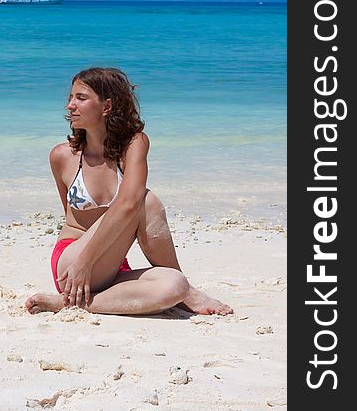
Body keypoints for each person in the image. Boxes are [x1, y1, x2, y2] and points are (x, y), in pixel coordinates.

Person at [26, 67, 233, 316]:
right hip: (73, 261)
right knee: (147, 201)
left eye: (81, 98)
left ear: (107, 106)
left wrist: (99, 261)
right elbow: (73, 219)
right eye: (70, 98)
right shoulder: (61, 156)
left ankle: (67, 304)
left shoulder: (134, 144)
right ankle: (188, 294)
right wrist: (84, 262)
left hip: (109, 265)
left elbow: (128, 203)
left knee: (174, 285)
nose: (70, 105)